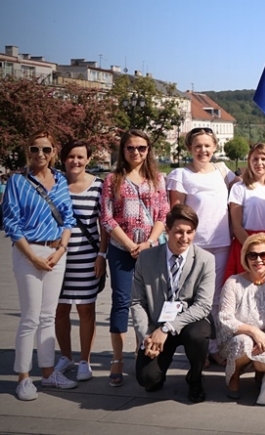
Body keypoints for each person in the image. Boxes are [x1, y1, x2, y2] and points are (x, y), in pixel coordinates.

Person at [3, 131, 78, 400]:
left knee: (48, 315)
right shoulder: (17, 181)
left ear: (54, 152)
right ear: (28, 151)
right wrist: (33, 256)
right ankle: (23, 378)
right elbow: (11, 222)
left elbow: (68, 218)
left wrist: (61, 250)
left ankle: (48, 373)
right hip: (29, 251)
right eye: (35, 149)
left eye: (46, 149)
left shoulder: (60, 180)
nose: (40, 154)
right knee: (30, 318)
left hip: (56, 251)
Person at [100, 129, 169, 387]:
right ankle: (117, 359)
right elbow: (106, 217)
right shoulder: (112, 179)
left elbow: (163, 214)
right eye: (130, 147)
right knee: (121, 302)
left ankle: (144, 351)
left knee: (150, 303)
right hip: (122, 250)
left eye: (141, 147)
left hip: (151, 250)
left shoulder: (157, 180)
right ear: (123, 150)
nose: (136, 152)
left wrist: (149, 242)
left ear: (148, 150)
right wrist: (130, 244)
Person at [167, 126, 239, 364]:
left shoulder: (222, 172)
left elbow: (248, 184)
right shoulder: (181, 174)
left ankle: (214, 346)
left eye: (207, 146)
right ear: (190, 148)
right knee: (191, 298)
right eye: (198, 146)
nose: (203, 150)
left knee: (216, 298)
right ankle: (195, 349)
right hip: (193, 247)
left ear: (215, 147)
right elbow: (176, 213)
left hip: (221, 243)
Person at [131, 204, 216, 403]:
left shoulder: (205, 260)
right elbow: (137, 302)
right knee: (146, 378)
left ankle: (195, 378)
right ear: (167, 230)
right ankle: (158, 374)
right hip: (157, 322)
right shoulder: (146, 258)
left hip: (189, 322)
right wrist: (146, 337)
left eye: (190, 232)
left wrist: (167, 328)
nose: (184, 238)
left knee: (198, 334)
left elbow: (203, 306)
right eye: (179, 231)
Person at [55, 140, 106, 384]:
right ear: (63, 159)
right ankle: (66, 356)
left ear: (88, 159)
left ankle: (85, 360)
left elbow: (104, 225)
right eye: (71, 156)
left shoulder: (98, 186)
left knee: (86, 309)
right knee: (60, 309)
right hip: (56, 256)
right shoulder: (55, 183)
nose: (75, 161)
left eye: (80, 157)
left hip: (86, 256)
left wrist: (102, 255)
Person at [218, 233, 265, 399]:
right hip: (236, 338)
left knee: (264, 360)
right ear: (246, 257)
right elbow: (225, 318)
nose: (258, 260)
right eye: (253, 255)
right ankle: (234, 375)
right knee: (243, 342)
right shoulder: (233, 282)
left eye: (264, 255)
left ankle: (260, 373)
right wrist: (253, 331)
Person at [224, 143, 265, 280]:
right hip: (246, 242)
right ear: (249, 161)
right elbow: (236, 226)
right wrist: (252, 249)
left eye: (263, 159)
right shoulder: (239, 188)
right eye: (255, 159)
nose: (259, 163)